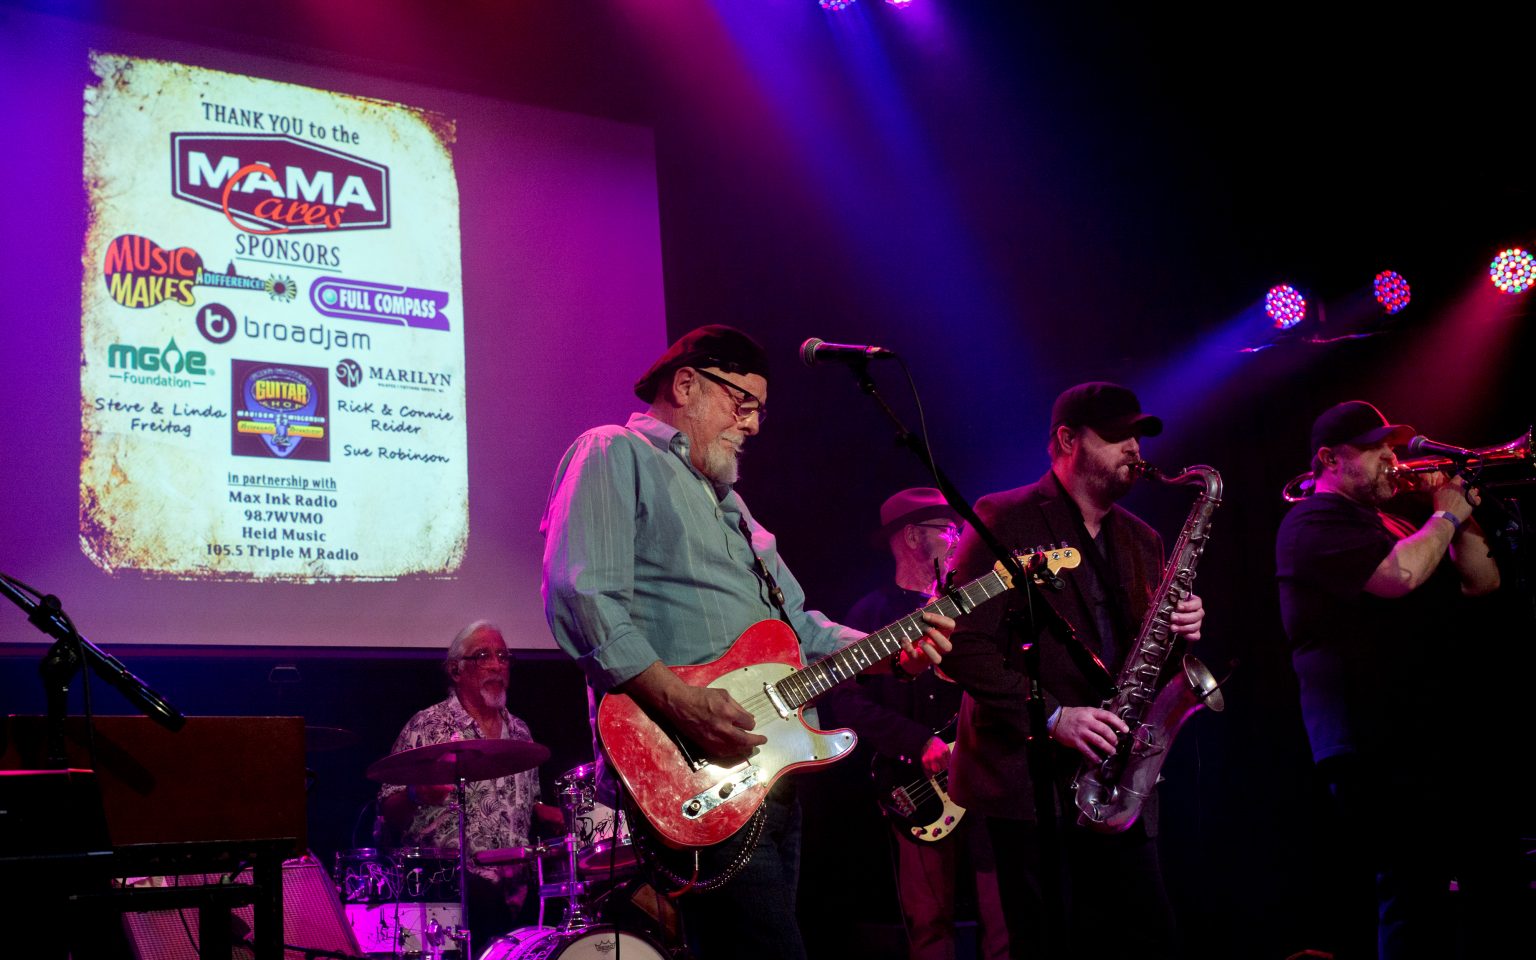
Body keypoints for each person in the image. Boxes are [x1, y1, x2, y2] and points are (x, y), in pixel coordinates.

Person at [540, 325, 953, 960]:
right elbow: (581, 595)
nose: (754, 425)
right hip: (689, 764)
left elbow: (800, 629)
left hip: (767, 771)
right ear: (686, 385)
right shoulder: (614, 451)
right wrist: (681, 702)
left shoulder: (736, 509)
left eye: (759, 410)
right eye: (743, 404)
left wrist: (890, 651)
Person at [941, 381, 1205, 959]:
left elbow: (1145, 659)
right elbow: (960, 644)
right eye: (1116, 437)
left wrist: (1183, 629)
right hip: (1028, 782)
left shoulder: (1143, 538)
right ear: (1066, 440)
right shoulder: (1003, 517)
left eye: (1138, 437)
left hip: (1117, 780)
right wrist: (1055, 716)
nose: (1134, 449)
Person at [1276, 400, 1521, 959]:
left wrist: (1458, 514)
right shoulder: (1312, 521)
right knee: (1414, 893)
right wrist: (1444, 517)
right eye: (1375, 450)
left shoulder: (1396, 523)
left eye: (1392, 449)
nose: (1393, 460)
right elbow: (1399, 577)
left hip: (1421, 733)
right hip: (1369, 739)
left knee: (1479, 883)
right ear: (1329, 460)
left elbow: (1482, 581)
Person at [821, 488, 1009, 960]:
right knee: (929, 925)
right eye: (947, 530)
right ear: (910, 537)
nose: (958, 539)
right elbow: (846, 701)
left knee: (1005, 921)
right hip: (916, 787)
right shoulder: (870, 615)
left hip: (983, 775)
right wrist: (918, 741)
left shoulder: (971, 606)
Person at [378, 621, 553, 951]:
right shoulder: (427, 726)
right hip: (447, 886)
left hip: (517, 886)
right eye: (483, 656)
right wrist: (418, 794)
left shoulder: (521, 733)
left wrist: (562, 816)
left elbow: (527, 807)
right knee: (481, 900)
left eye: (503, 656)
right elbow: (388, 809)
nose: (497, 665)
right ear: (455, 670)